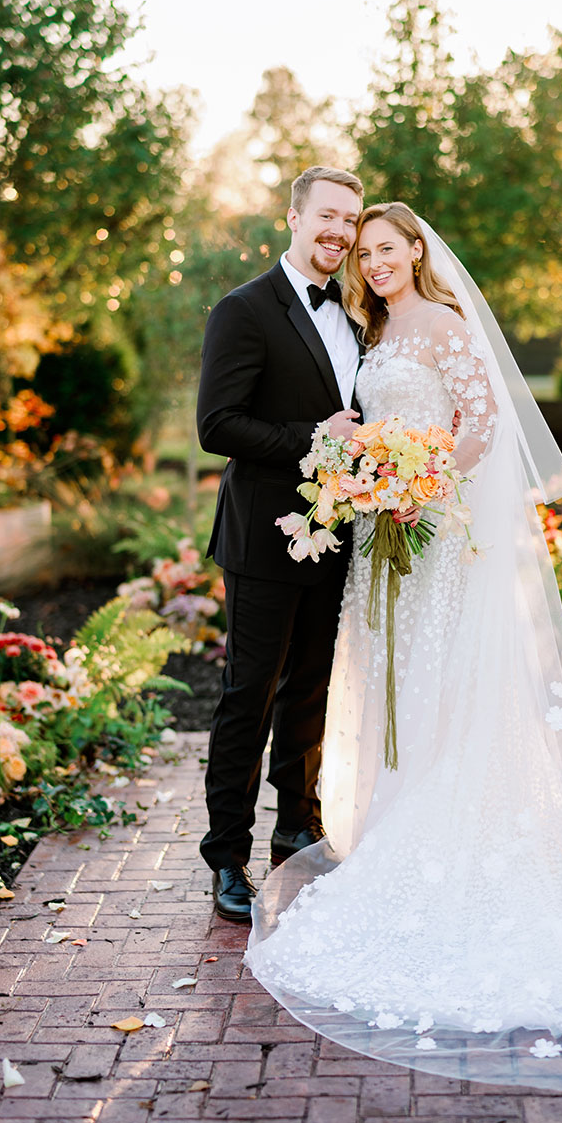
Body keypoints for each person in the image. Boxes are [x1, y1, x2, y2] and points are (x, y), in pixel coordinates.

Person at [244, 202, 562, 1090]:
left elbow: (482, 430)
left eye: (388, 249)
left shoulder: (444, 322)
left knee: (448, 687)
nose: (376, 262)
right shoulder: (374, 325)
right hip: (386, 538)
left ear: (417, 250)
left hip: (439, 537)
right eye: (365, 252)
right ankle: (398, 827)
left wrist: (415, 481)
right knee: (396, 686)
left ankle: (455, 852)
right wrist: (368, 478)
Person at [196, 165, 364, 922]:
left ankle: (296, 825)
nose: (340, 232)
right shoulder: (244, 310)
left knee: (311, 690)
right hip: (264, 536)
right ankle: (226, 854)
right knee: (248, 694)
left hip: (339, 532)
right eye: (327, 215)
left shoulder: (360, 313)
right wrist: (310, 440)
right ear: (294, 219)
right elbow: (217, 425)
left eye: (351, 221)